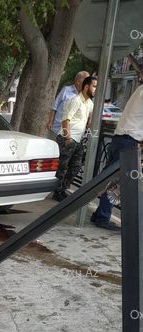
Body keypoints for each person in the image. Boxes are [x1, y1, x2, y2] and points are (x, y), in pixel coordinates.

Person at [91, 85, 143, 231]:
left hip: (120, 139)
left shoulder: (139, 89)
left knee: (109, 180)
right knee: (118, 183)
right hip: (129, 141)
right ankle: (103, 217)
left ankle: (99, 214)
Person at [52, 76, 97, 202]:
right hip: (68, 138)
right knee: (62, 167)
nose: (96, 89)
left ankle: (63, 189)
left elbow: (89, 123)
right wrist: (68, 138)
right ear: (86, 87)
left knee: (76, 167)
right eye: (94, 86)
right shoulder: (76, 100)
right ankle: (57, 191)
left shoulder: (90, 103)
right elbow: (66, 119)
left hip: (79, 140)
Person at [47, 71, 90, 135]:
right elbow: (54, 107)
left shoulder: (85, 96)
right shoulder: (66, 90)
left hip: (72, 133)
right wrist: (50, 122)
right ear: (78, 82)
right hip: (56, 129)